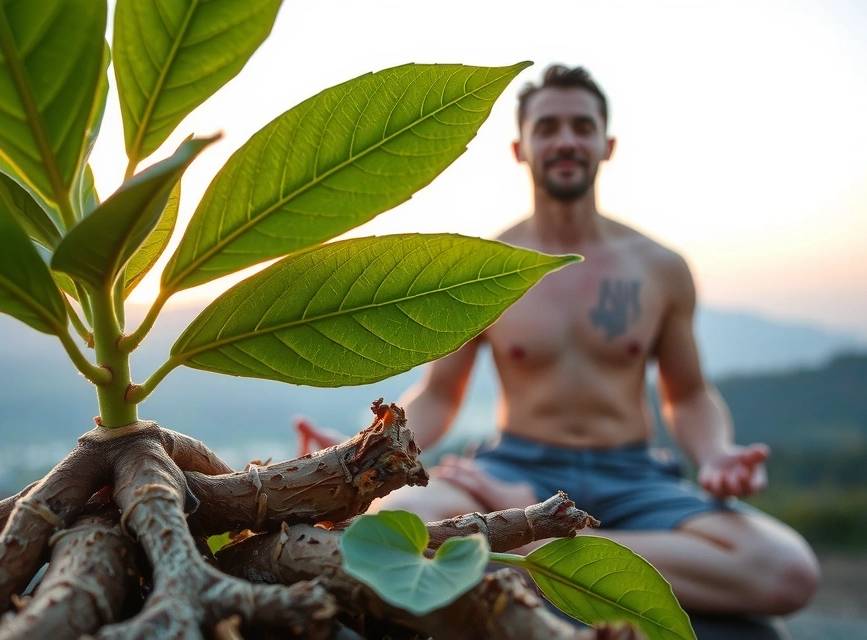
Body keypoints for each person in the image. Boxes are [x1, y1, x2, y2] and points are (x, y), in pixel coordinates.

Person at [297, 64, 820, 617]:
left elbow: (687, 394)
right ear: (520, 148)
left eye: (581, 126)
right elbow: (442, 394)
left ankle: (526, 542)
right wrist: (362, 454)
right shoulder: (486, 269)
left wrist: (716, 454)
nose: (566, 139)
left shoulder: (660, 267)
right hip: (514, 466)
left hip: (635, 478)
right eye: (548, 127)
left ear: (606, 144)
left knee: (786, 570)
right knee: (389, 530)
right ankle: (543, 543)